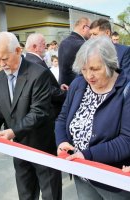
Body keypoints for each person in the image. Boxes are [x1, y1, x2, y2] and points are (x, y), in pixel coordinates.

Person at [0, 32, 62, 200]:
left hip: (42, 146)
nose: (1, 64)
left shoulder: (38, 74)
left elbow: (39, 111)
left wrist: (12, 131)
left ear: (18, 50)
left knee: (50, 194)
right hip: (19, 148)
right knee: (25, 194)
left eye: (4, 59)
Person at [55, 36, 130, 199]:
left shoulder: (126, 89)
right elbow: (62, 118)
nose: (89, 76)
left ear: (111, 64)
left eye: (95, 69)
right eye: (84, 69)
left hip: (113, 181)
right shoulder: (78, 84)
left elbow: (126, 141)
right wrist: (61, 141)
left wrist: (87, 155)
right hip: (82, 174)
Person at [25, 33, 66, 118]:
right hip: (47, 111)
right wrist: (66, 94)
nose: (46, 47)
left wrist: (58, 87)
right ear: (35, 47)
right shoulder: (36, 63)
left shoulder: (29, 60)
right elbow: (47, 89)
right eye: (43, 44)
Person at [58, 17, 91, 87]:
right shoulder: (83, 44)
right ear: (84, 27)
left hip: (63, 86)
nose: (91, 32)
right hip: (76, 88)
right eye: (90, 28)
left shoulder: (63, 42)